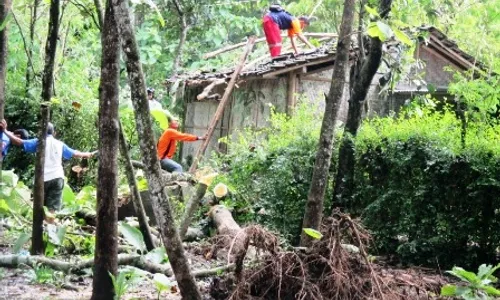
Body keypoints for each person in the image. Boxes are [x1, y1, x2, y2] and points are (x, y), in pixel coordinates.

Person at [0, 119, 94, 217]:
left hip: (42, 179)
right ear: (54, 133)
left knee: (40, 208)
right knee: (52, 211)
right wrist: (86, 154)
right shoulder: (60, 144)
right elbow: (75, 153)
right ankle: (50, 228)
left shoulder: (39, 142)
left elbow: (20, 142)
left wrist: (5, 131)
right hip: (57, 178)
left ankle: (41, 229)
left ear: (41, 132)